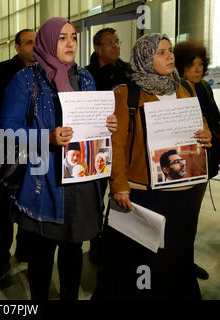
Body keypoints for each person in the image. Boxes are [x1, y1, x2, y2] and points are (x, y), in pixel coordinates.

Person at [1, 17, 117, 300]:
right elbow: (8, 130)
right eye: (62, 37)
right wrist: (47, 137)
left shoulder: (85, 77)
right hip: (45, 180)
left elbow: (91, 122)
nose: (70, 43)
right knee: (43, 251)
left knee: (74, 248)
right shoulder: (27, 79)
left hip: (80, 177)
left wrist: (107, 124)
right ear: (48, 41)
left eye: (74, 37)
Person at [92, 33, 212, 300]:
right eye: (161, 52)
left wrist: (206, 134)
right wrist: (119, 186)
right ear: (145, 58)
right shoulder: (127, 94)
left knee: (177, 254)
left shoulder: (185, 88)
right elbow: (117, 145)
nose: (169, 56)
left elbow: (199, 123)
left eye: (169, 51)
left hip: (184, 191)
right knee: (141, 259)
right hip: (143, 193)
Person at [0, 29, 36, 280]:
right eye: (28, 43)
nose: (34, 47)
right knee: (7, 202)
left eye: (37, 42)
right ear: (17, 47)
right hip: (8, 144)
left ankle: (25, 249)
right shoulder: (1, 72)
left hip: (37, 144)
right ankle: (2, 257)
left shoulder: (46, 72)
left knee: (32, 198)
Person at [174, 41, 220, 281]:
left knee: (191, 216)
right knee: (177, 217)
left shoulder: (204, 88)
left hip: (203, 162)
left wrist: (211, 134)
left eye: (200, 63)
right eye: (191, 65)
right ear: (181, 66)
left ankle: (186, 262)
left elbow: (215, 122)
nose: (197, 69)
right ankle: (175, 263)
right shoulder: (172, 89)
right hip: (177, 164)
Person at [85, 27, 131, 265]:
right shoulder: (85, 75)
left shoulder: (128, 73)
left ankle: (114, 239)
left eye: (117, 41)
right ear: (97, 48)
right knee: (96, 198)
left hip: (121, 144)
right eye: (110, 42)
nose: (116, 46)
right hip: (95, 147)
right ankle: (95, 240)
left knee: (120, 195)